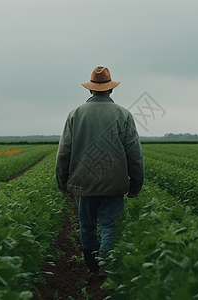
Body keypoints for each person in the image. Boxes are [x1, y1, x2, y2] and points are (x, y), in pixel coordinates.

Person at [55, 66, 144, 279]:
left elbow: (64, 152)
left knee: (87, 226)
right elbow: (134, 153)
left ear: (91, 90)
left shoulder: (75, 114)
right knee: (110, 224)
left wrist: (62, 182)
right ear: (110, 89)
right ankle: (105, 263)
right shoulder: (124, 115)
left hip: (82, 183)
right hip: (114, 184)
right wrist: (136, 183)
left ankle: (93, 269)